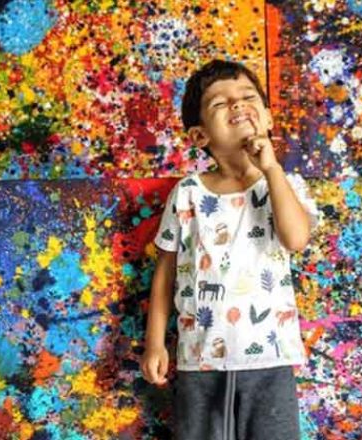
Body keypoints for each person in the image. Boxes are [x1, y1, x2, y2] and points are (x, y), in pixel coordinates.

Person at [140, 59, 320, 439]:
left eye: (247, 97)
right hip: (201, 358)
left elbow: (296, 239)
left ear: (268, 117)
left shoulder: (283, 185)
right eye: (220, 103)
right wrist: (155, 343)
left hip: (270, 359)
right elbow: (166, 273)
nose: (237, 104)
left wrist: (271, 169)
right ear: (200, 136)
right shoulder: (188, 193)